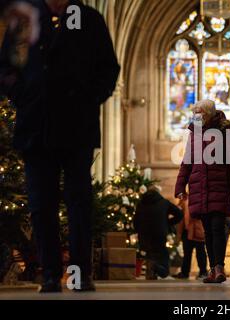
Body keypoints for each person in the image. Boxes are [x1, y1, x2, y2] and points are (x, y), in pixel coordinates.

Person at [0, 0, 120, 293]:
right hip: (36, 125)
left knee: (79, 204)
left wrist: (88, 99)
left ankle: (80, 274)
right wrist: (22, 95)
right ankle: (50, 274)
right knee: (42, 205)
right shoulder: (25, 19)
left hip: (76, 127)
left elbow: (108, 67)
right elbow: (5, 66)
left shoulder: (88, 19)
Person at [175, 99, 230, 284]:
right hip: (200, 188)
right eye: (194, 112)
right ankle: (213, 269)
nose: (196, 115)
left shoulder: (226, 131)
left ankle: (219, 267)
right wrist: (180, 186)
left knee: (217, 227)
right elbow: (187, 161)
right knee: (207, 231)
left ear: (208, 113)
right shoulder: (195, 134)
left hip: (219, 187)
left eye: (199, 112)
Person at [134, 187, 183, 280]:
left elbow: (136, 220)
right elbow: (179, 214)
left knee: (149, 254)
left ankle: (151, 272)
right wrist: (168, 223)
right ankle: (156, 268)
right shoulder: (164, 203)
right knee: (163, 260)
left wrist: (139, 230)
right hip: (160, 233)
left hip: (144, 234)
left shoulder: (141, 203)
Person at [174, 199, 208, 280]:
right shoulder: (184, 201)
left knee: (200, 253)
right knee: (188, 253)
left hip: (198, 230)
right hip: (189, 231)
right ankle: (186, 272)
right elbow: (181, 219)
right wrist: (179, 234)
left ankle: (202, 272)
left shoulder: (201, 199)